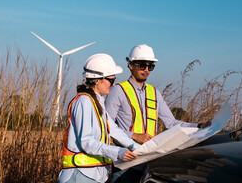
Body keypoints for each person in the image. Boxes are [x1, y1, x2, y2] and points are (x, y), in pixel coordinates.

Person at [105, 44, 211, 182]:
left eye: (150, 66)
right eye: (142, 65)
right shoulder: (117, 91)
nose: (147, 70)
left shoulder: (154, 93)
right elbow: (106, 126)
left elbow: (171, 123)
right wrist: (134, 135)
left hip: (149, 162)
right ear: (131, 65)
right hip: (126, 165)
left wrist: (198, 126)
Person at [59, 53, 140, 183]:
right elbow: (86, 142)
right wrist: (118, 152)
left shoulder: (98, 101)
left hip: (92, 175)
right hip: (80, 174)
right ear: (98, 79)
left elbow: (114, 130)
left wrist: (138, 148)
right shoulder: (84, 102)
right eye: (111, 80)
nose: (113, 85)